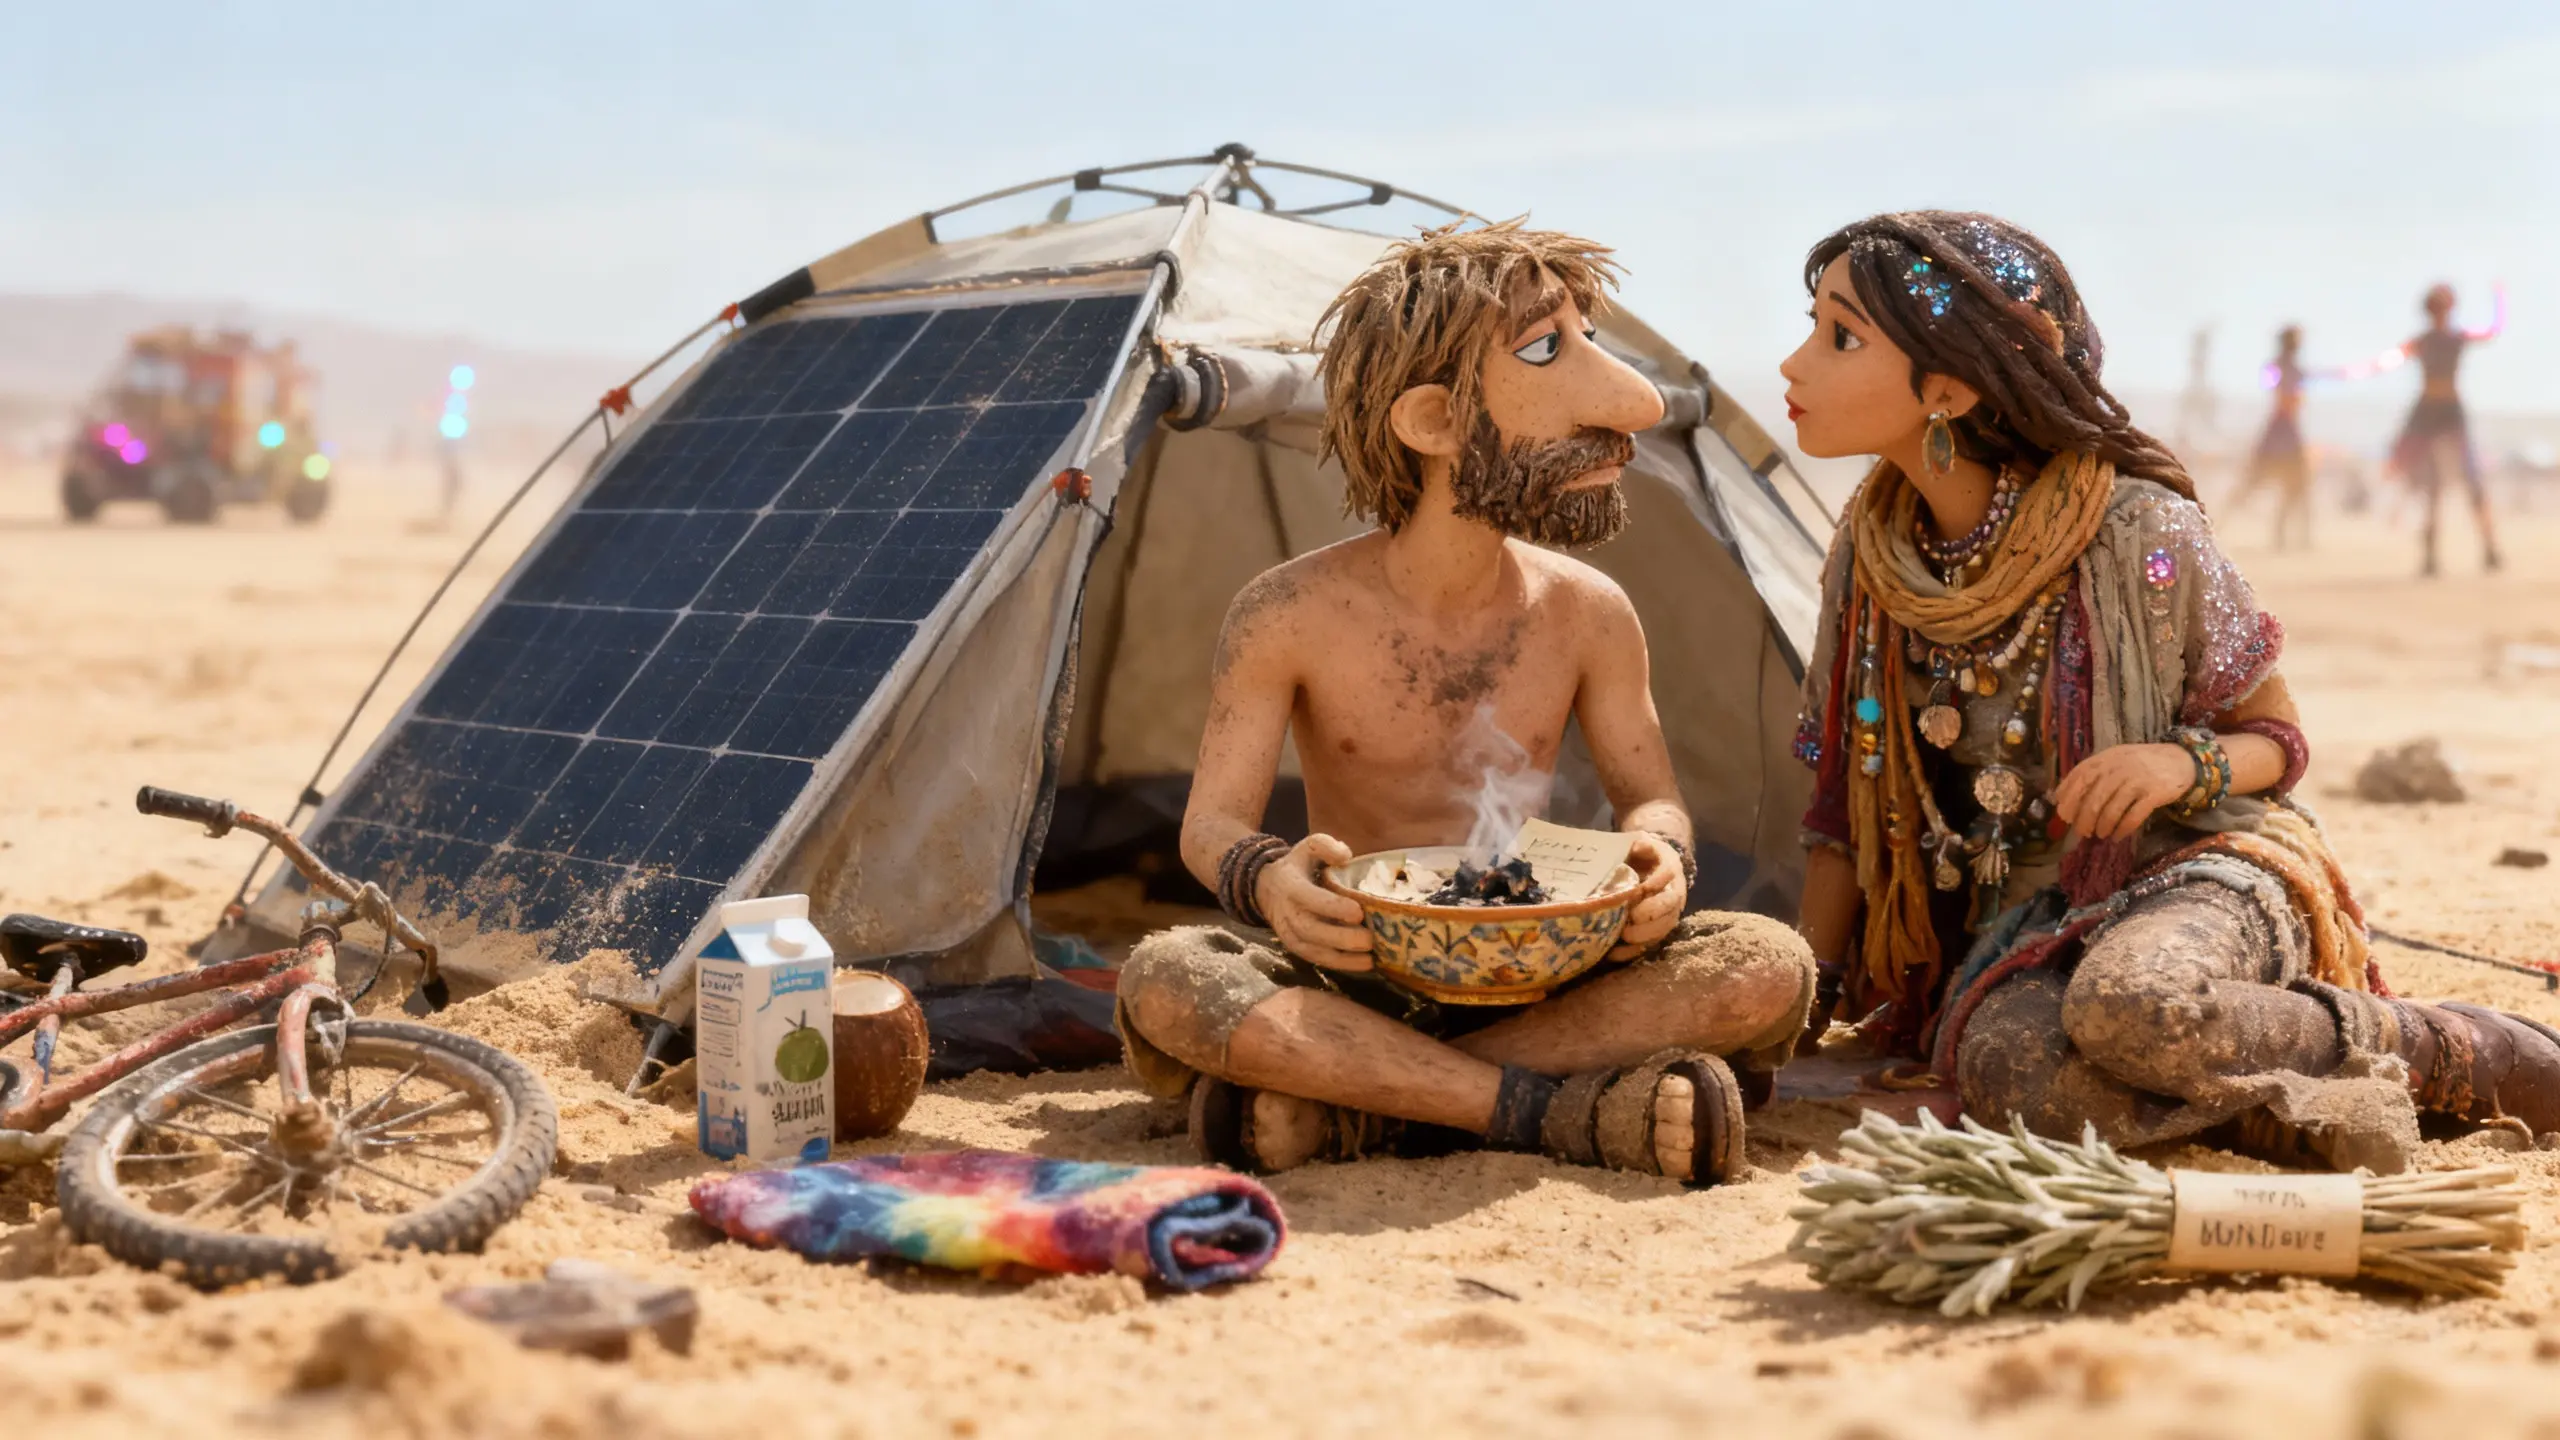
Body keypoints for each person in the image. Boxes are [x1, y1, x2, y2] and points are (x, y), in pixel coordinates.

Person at [1782, 212, 2560, 1173]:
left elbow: (2275, 739)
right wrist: (1806, 999)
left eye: (1840, 337)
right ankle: (2305, 1113)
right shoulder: (1873, 555)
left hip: (2196, 870)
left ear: (1947, 387)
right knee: (2006, 1067)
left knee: (2133, 1009)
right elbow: (1840, 807)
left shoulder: (2137, 529)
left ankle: (2463, 1053)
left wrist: (2174, 762)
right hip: (2028, 933)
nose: (1793, 364)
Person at [1113, 221, 1817, 1186]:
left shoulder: (1590, 612)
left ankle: (1376, 1104)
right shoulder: (1284, 612)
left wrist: (1662, 862)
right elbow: (1213, 824)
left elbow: (1653, 801)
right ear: (1435, 423)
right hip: (1359, 975)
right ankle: (1553, 1111)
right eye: (1544, 348)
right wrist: (1272, 880)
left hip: (1557, 976)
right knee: (1167, 979)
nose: (1634, 404)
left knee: (1767, 962)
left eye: (1588, 339)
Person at [2369, 284, 2506, 577]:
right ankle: (2432, 557)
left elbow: (2492, 331)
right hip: (2429, 413)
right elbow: (2391, 359)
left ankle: (2490, 549)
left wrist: (2500, 300)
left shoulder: (2448, 339)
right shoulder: (2426, 341)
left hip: (2449, 412)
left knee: (2471, 482)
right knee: (2433, 487)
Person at [2227, 326, 2316, 550]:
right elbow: (2282, 394)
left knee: (2294, 486)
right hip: (2282, 430)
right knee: (2275, 483)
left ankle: (2292, 537)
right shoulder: (2282, 368)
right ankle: (2219, 522)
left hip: (2283, 429)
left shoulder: (2286, 368)